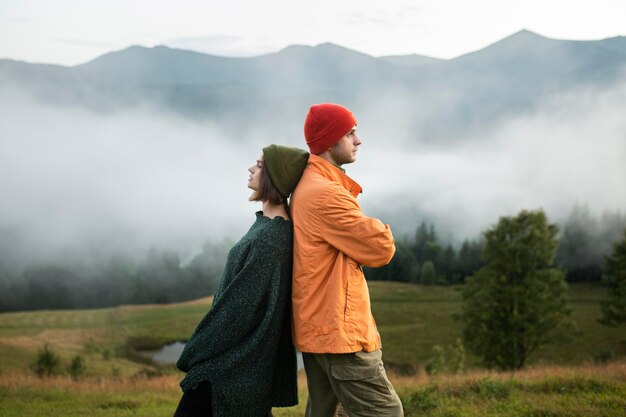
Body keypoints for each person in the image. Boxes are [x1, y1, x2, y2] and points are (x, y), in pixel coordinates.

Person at [174, 144, 309, 417]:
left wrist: (195, 354)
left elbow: (238, 310)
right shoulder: (267, 226)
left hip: (233, 368)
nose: (250, 168)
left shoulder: (270, 240)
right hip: (237, 364)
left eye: (259, 165)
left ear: (275, 178)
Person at [291, 103, 404, 417]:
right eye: (350, 133)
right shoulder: (327, 194)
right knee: (385, 412)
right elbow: (381, 248)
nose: (358, 140)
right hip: (339, 335)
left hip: (320, 329)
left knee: (329, 412)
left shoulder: (309, 185)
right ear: (330, 141)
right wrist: (377, 229)